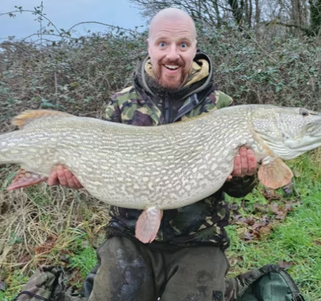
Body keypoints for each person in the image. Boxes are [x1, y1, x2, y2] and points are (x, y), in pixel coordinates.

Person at [48, 8, 259, 301]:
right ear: (149, 47)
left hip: (199, 241)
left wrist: (244, 176)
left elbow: (238, 189)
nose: (172, 54)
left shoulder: (220, 107)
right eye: (163, 44)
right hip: (129, 236)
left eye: (183, 45)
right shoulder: (121, 105)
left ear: (195, 49)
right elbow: (99, 171)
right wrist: (78, 176)